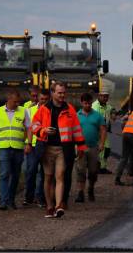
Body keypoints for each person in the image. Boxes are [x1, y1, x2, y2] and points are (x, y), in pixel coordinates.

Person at [31, 82, 86, 218]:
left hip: (63, 149)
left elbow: (76, 129)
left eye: (63, 93)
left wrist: (81, 147)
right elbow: (34, 125)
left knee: (60, 176)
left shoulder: (70, 109)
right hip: (46, 148)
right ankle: (49, 206)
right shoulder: (44, 109)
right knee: (48, 177)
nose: (62, 95)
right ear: (52, 93)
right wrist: (44, 130)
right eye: (59, 92)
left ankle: (58, 206)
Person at [0, 89, 32, 210]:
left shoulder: (24, 111)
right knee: (4, 174)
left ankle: (11, 200)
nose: (17, 104)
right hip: (4, 148)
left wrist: (29, 143)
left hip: (18, 148)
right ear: (8, 99)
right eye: (15, 102)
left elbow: (29, 129)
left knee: (15, 175)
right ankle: (3, 202)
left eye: (18, 102)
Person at [75, 93, 106, 203]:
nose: (87, 105)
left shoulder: (98, 116)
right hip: (80, 147)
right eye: (85, 103)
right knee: (80, 170)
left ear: (91, 103)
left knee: (93, 171)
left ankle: (91, 188)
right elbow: (73, 131)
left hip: (93, 147)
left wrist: (102, 143)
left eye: (89, 103)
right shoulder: (77, 115)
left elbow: (103, 130)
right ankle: (80, 193)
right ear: (81, 103)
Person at [23, 89, 50, 207]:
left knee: (44, 173)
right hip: (33, 145)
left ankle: (40, 198)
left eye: (45, 99)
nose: (43, 101)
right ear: (37, 99)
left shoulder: (51, 110)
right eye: (41, 99)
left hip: (46, 145)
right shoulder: (30, 110)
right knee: (31, 171)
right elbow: (29, 128)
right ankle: (29, 197)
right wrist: (28, 143)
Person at [92, 89, 114, 174]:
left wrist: (114, 113)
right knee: (98, 150)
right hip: (96, 132)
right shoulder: (94, 106)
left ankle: (102, 167)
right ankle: (98, 167)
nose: (105, 98)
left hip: (104, 132)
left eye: (107, 96)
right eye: (103, 96)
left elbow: (112, 111)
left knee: (106, 150)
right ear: (99, 96)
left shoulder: (108, 106)